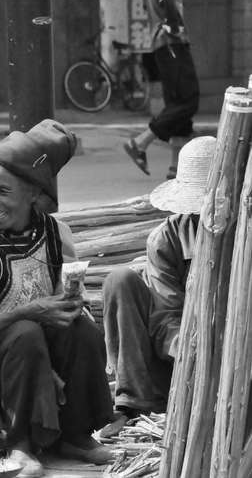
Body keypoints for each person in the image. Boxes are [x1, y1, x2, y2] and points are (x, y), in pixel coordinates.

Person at [0, 119, 115, 477]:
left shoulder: (55, 233)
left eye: (3, 191)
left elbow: (66, 303)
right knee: (25, 332)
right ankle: (19, 445)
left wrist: (69, 307)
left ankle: (75, 435)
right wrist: (30, 313)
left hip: (38, 354)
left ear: (33, 193)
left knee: (82, 331)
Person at [101, 135, 215, 438]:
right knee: (120, 280)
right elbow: (166, 318)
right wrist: (192, 349)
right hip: (180, 362)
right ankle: (133, 406)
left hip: (236, 360)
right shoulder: (166, 238)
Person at [123, 0, 199, 179]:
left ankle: (176, 168)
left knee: (178, 103)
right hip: (172, 42)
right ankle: (140, 142)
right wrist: (174, 27)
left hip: (164, 43)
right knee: (188, 101)